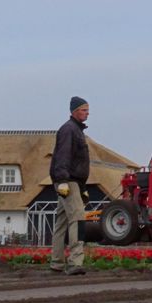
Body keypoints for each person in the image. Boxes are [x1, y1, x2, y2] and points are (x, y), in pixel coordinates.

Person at [49, 96, 91, 274]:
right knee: (78, 220)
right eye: (84, 110)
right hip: (68, 181)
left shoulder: (75, 130)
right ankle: (75, 261)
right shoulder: (69, 130)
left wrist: (82, 188)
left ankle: (57, 262)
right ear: (74, 111)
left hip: (73, 182)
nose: (87, 113)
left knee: (61, 222)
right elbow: (62, 156)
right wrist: (63, 181)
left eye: (88, 110)